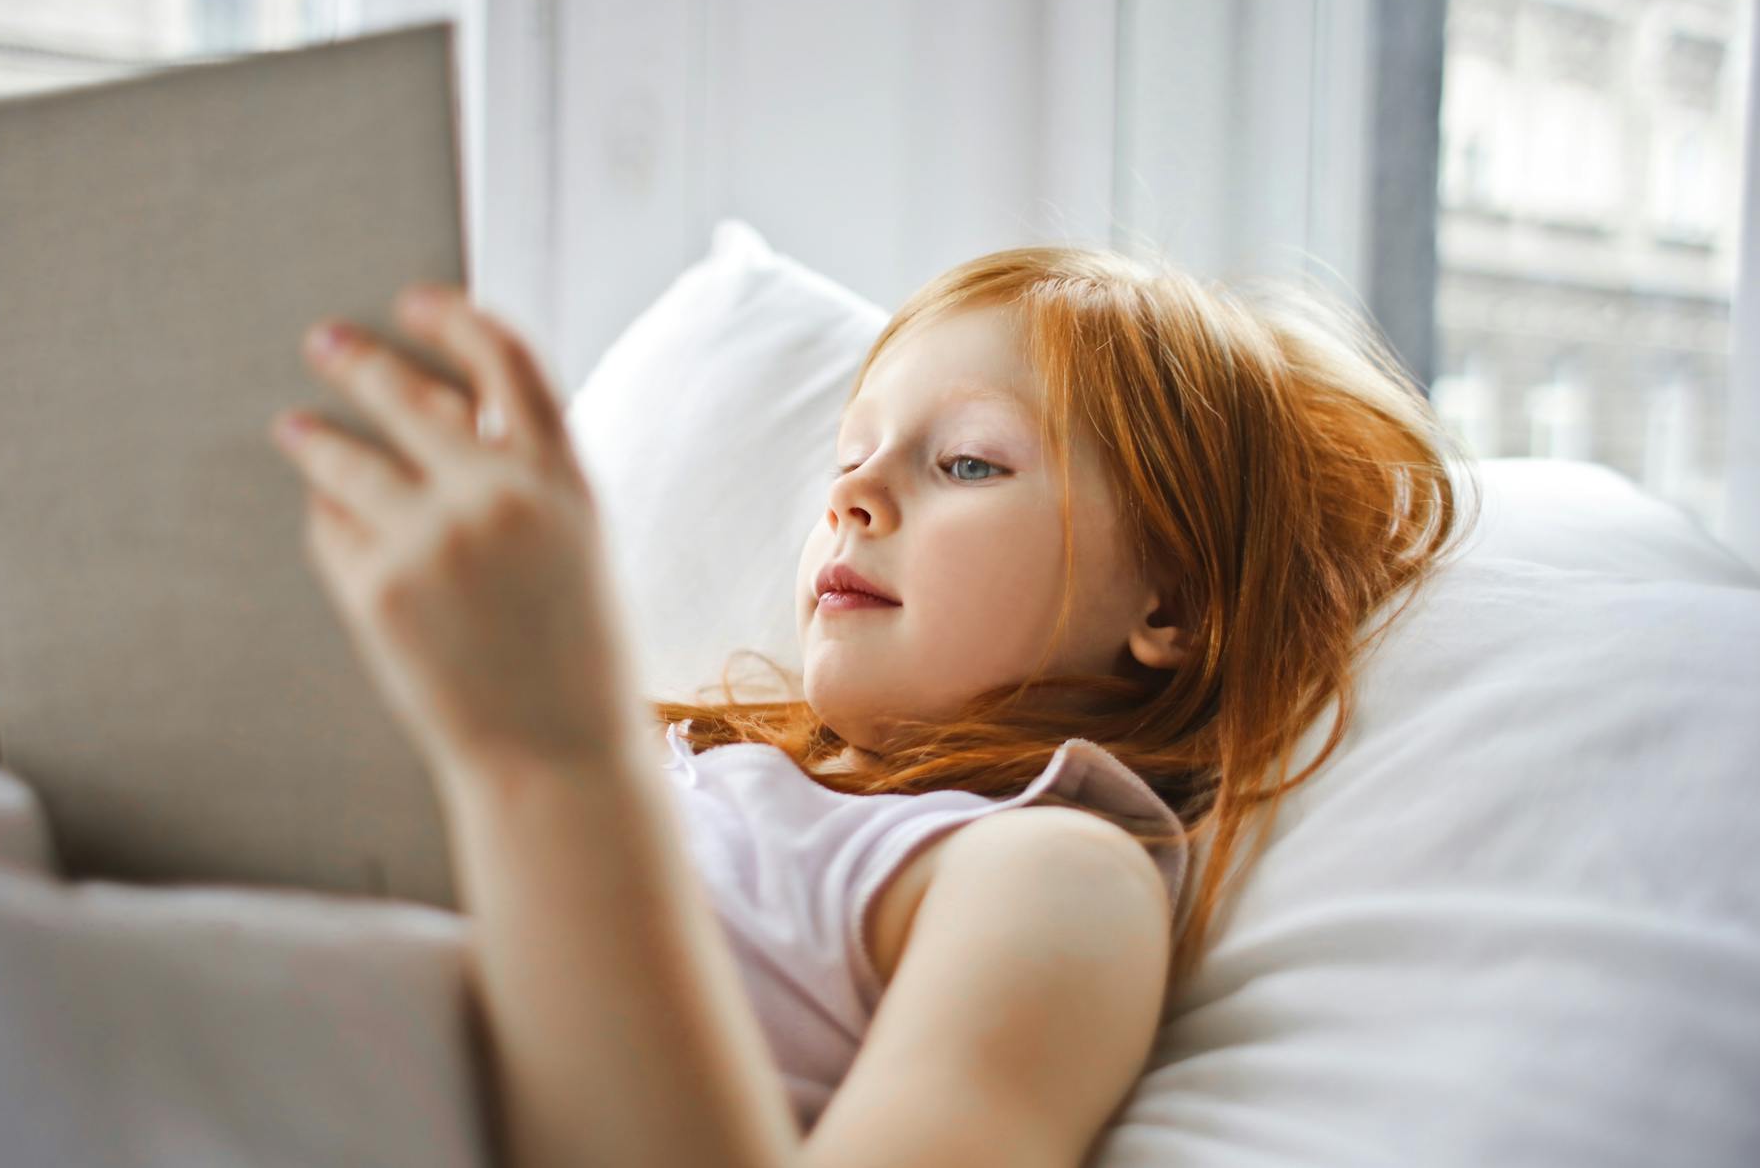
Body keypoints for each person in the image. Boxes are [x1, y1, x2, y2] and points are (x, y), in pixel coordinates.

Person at [268, 242, 1476, 1167]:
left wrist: (551, 754)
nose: (852, 494)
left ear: (1170, 602)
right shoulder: (690, 754)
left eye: (965, 463)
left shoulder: (1045, 872)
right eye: (848, 453)